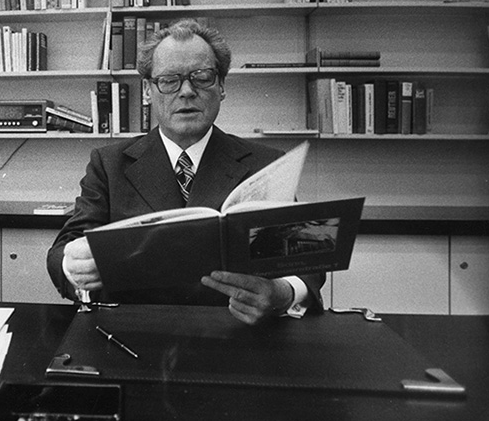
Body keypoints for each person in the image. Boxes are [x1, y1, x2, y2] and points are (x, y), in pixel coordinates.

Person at [46, 19, 324, 325]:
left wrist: (283, 293)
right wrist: (74, 265)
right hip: (134, 335)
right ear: (149, 92)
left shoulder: (265, 163)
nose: (187, 92)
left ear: (221, 86)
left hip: (236, 335)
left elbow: (308, 260)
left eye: (202, 77)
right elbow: (63, 249)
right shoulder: (109, 163)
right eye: (169, 80)